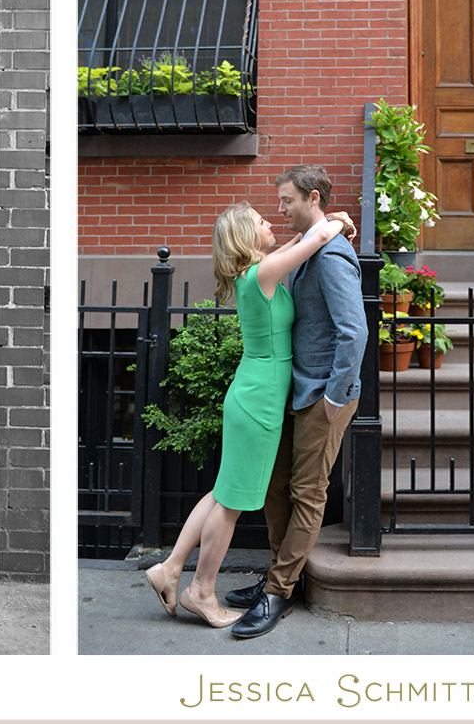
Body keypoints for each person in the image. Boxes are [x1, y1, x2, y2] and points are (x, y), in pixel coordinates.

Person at [144, 202, 345, 627]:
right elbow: (318, 239)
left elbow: (297, 244)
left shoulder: (254, 274)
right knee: (232, 504)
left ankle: (170, 568)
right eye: (260, 222)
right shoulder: (263, 275)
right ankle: (201, 591)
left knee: (223, 492)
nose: (270, 223)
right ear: (246, 238)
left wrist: (310, 233)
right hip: (261, 402)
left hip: (252, 394)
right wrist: (336, 222)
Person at [227, 165, 367, 639]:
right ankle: (277, 575)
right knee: (274, 486)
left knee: (308, 493)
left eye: (286, 201)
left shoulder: (331, 255)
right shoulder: (311, 245)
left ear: (311, 197)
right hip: (294, 389)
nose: (280, 209)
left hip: (322, 395)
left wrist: (336, 395)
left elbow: (355, 331)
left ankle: (280, 591)